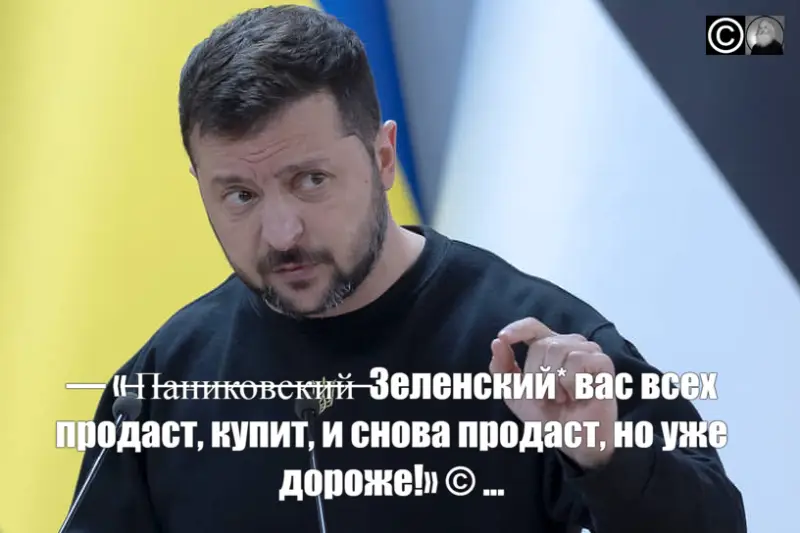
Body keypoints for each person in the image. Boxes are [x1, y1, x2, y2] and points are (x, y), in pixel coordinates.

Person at [65, 5, 746, 532]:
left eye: (310, 180)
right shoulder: (158, 390)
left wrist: (606, 458)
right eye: (239, 195)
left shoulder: (544, 351)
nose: (280, 233)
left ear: (382, 158)